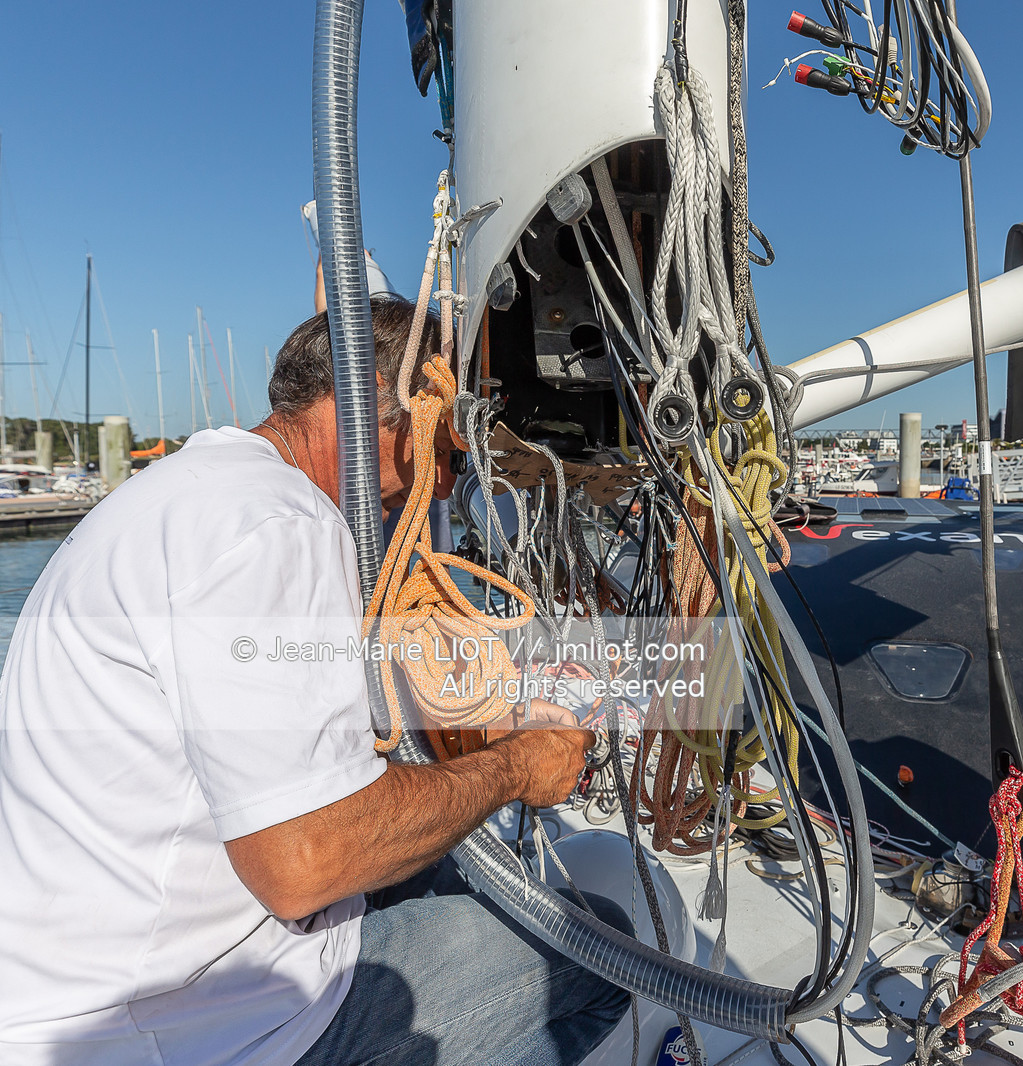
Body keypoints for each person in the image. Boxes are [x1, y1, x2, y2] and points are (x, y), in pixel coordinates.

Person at [0, 298, 629, 1065]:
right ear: (386, 402)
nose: (440, 488)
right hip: (196, 1029)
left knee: (442, 860)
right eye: (450, 446)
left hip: (95, 981)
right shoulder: (276, 525)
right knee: (603, 953)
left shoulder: (190, 494)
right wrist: (517, 766)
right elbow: (306, 864)